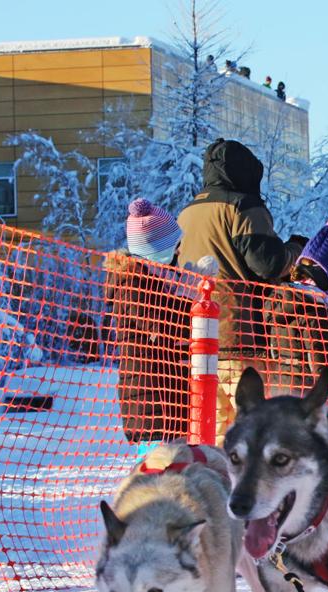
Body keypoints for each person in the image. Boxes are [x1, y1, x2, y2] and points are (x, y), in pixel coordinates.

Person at [176, 138, 290, 443]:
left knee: (210, 429)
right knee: (253, 426)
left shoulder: (187, 212)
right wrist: (293, 253)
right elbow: (267, 263)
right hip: (242, 334)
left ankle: (213, 484)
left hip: (200, 335)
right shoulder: (243, 206)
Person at [105, 199, 190, 447]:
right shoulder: (134, 284)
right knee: (158, 471)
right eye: (175, 246)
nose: (179, 252)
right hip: (151, 404)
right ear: (158, 252)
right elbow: (168, 323)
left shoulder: (152, 281)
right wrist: (196, 298)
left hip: (162, 399)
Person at [274, 216, 328, 405]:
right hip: (307, 402)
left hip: (280, 392)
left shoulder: (279, 299)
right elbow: (323, 367)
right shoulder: (316, 309)